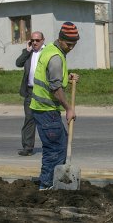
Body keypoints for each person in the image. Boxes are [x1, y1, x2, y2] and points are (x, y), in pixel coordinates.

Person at [30, 21, 80, 191]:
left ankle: (49, 181)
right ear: (61, 39)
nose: (71, 47)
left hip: (41, 107)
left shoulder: (51, 49)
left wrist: (67, 74)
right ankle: (46, 185)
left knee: (60, 143)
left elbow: (51, 76)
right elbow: (55, 87)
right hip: (46, 109)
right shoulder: (56, 57)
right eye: (69, 44)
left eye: (74, 44)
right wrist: (68, 108)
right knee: (55, 149)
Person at [15, 31, 45, 156]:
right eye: (32, 40)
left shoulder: (47, 52)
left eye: (37, 40)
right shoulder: (28, 52)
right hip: (30, 90)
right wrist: (27, 51)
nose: (34, 42)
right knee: (29, 119)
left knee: (45, 118)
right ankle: (27, 147)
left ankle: (50, 146)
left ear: (43, 40)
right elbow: (18, 63)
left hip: (43, 90)